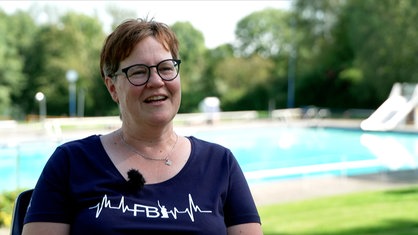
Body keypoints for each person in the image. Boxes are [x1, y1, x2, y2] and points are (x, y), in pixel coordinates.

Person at [22, 18, 262, 235]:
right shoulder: (71, 162)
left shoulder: (220, 164)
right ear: (113, 87)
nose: (156, 81)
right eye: (138, 72)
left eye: (166, 68)